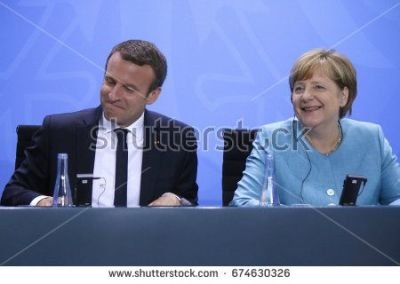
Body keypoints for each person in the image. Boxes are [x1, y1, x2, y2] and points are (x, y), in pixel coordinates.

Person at [1, 39, 198, 207]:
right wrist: (43, 202)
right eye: (110, 81)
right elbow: (13, 192)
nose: (113, 95)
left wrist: (177, 200)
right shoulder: (59, 130)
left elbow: (189, 200)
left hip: (147, 247)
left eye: (129, 89)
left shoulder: (178, 138)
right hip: (73, 246)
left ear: (153, 95)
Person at [231, 48, 400, 206]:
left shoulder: (371, 137)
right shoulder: (272, 137)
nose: (305, 96)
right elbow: (243, 202)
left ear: (343, 96)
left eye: (318, 87)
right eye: (299, 89)